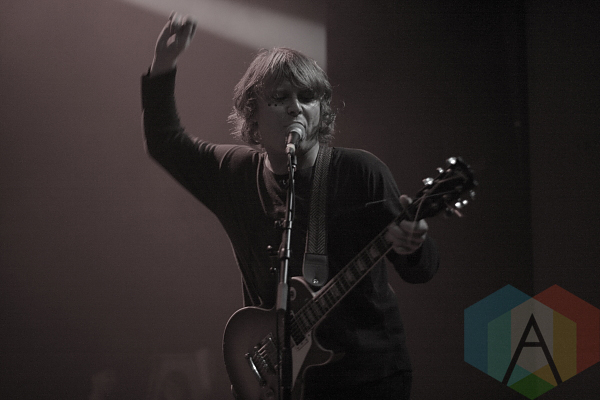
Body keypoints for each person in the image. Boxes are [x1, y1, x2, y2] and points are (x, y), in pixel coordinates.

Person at [141, 13, 439, 400]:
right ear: (252, 112)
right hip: (277, 379)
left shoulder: (361, 172)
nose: (296, 108)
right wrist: (164, 63)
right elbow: (165, 143)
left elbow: (421, 270)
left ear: (321, 110)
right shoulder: (235, 173)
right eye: (280, 98)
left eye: (308, 97)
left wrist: (414, 245)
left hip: (368, 378)